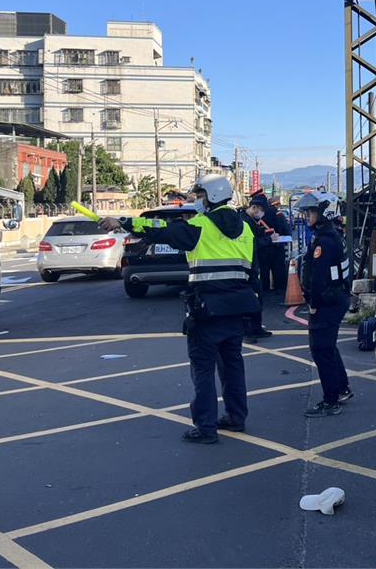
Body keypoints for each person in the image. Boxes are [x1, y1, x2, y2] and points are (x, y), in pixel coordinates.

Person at [100, 174, 258, 444]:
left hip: (208, 309)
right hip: (238, 306)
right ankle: (236, 417)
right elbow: (252, 269)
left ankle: (206, 427)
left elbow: (159, 228)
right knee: (233, 365)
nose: (195, 201)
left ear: (211, 197)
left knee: (203, 368)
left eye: (199, 196)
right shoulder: (246, 228)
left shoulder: (200, 226)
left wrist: (123, 222)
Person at [297, 192, 353, 417]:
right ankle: (341, 388)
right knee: (328, 346)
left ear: (324, 214)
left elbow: (318, 279)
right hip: (336, 298)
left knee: (320, 350)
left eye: (311, 212)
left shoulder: (325, 242)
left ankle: (331, 400)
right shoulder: (332, 236)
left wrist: (313, 304)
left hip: (327, 302)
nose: (308, 216)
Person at [240, 199, 275, 342]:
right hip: (245, 266)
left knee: (258, 298)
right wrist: (269, 240)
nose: (261, 214)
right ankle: (246, 332)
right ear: (254, 208)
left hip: (252, 266)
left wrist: (266, 236)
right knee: (249, 299)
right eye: (261, 210)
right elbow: (253, 244)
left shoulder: (250, 221)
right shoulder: (244, 222)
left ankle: (256, 328)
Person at [267, 195, 292, 294]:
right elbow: (286, 230)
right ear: (277, 204)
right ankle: (280, 289)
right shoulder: (279, 215)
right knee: (278, 269)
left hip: (265, 246)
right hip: (278, 246)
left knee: (265, 270)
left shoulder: (264, 214)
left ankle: (266, 289)